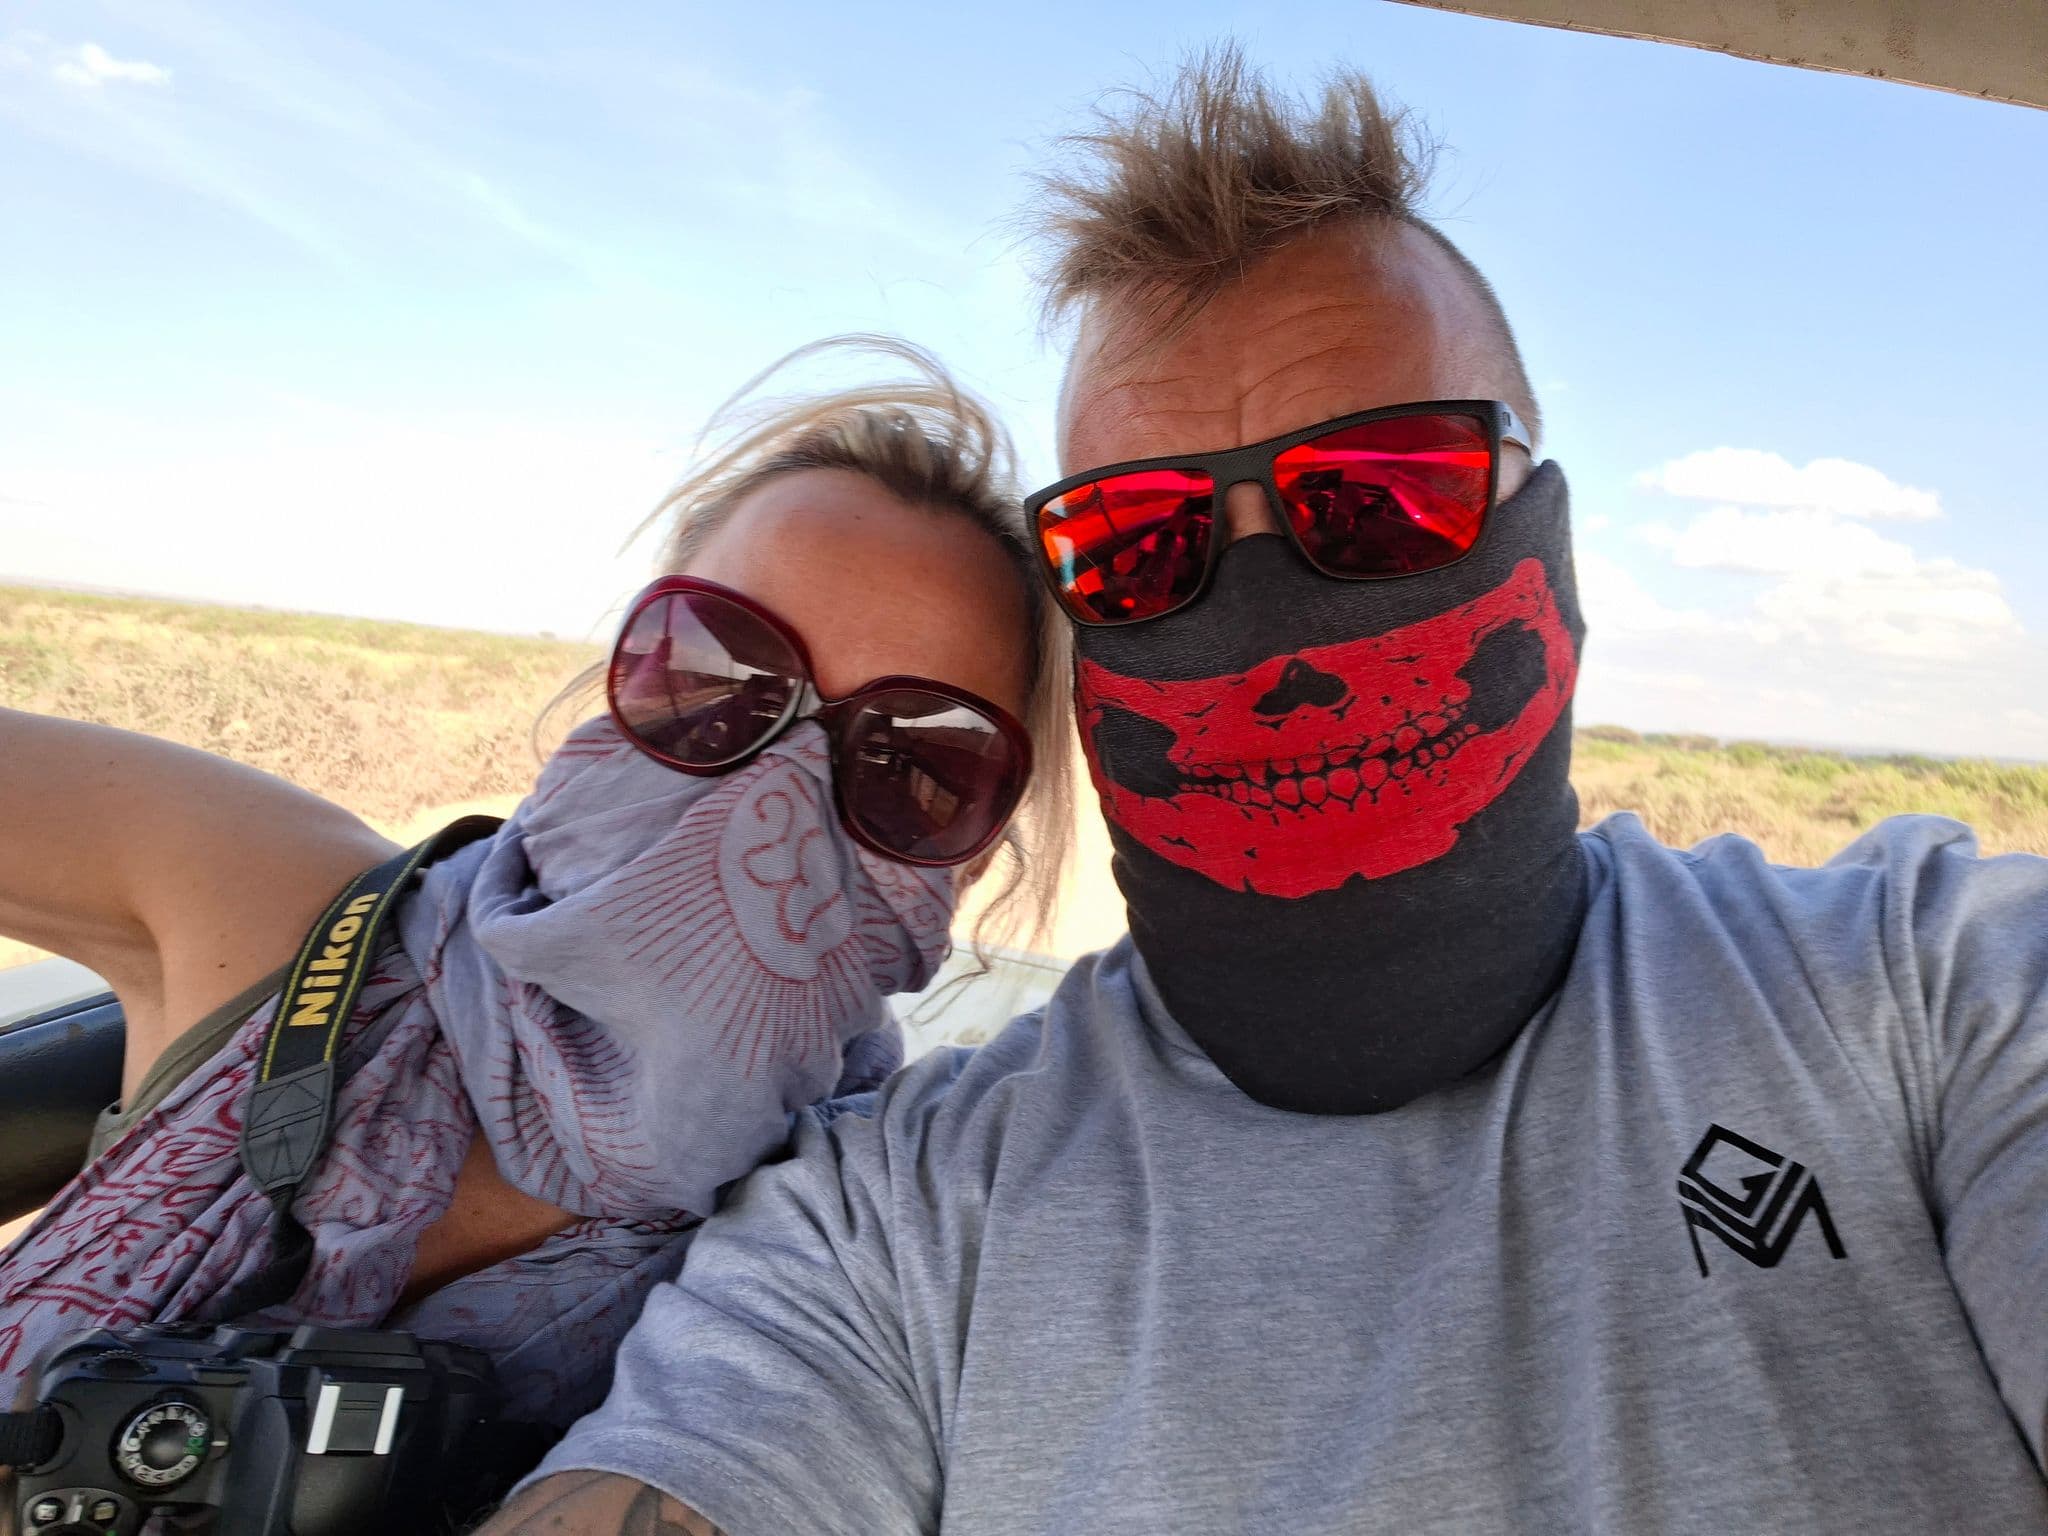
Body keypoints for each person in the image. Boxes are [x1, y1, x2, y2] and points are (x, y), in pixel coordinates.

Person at [486, 48, 2048, 1535]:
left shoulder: (1921, 997)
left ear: (1548, 536)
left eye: (1388, 495)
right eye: (1136, 544)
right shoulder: (904, 1213)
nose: (1275, 632)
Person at [0, 337, 1073, 1436]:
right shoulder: (274, 901)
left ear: (975, 854)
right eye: (717, 668)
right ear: (625, 675)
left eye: (921, 762)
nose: (772, 791)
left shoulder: (876, 1238)